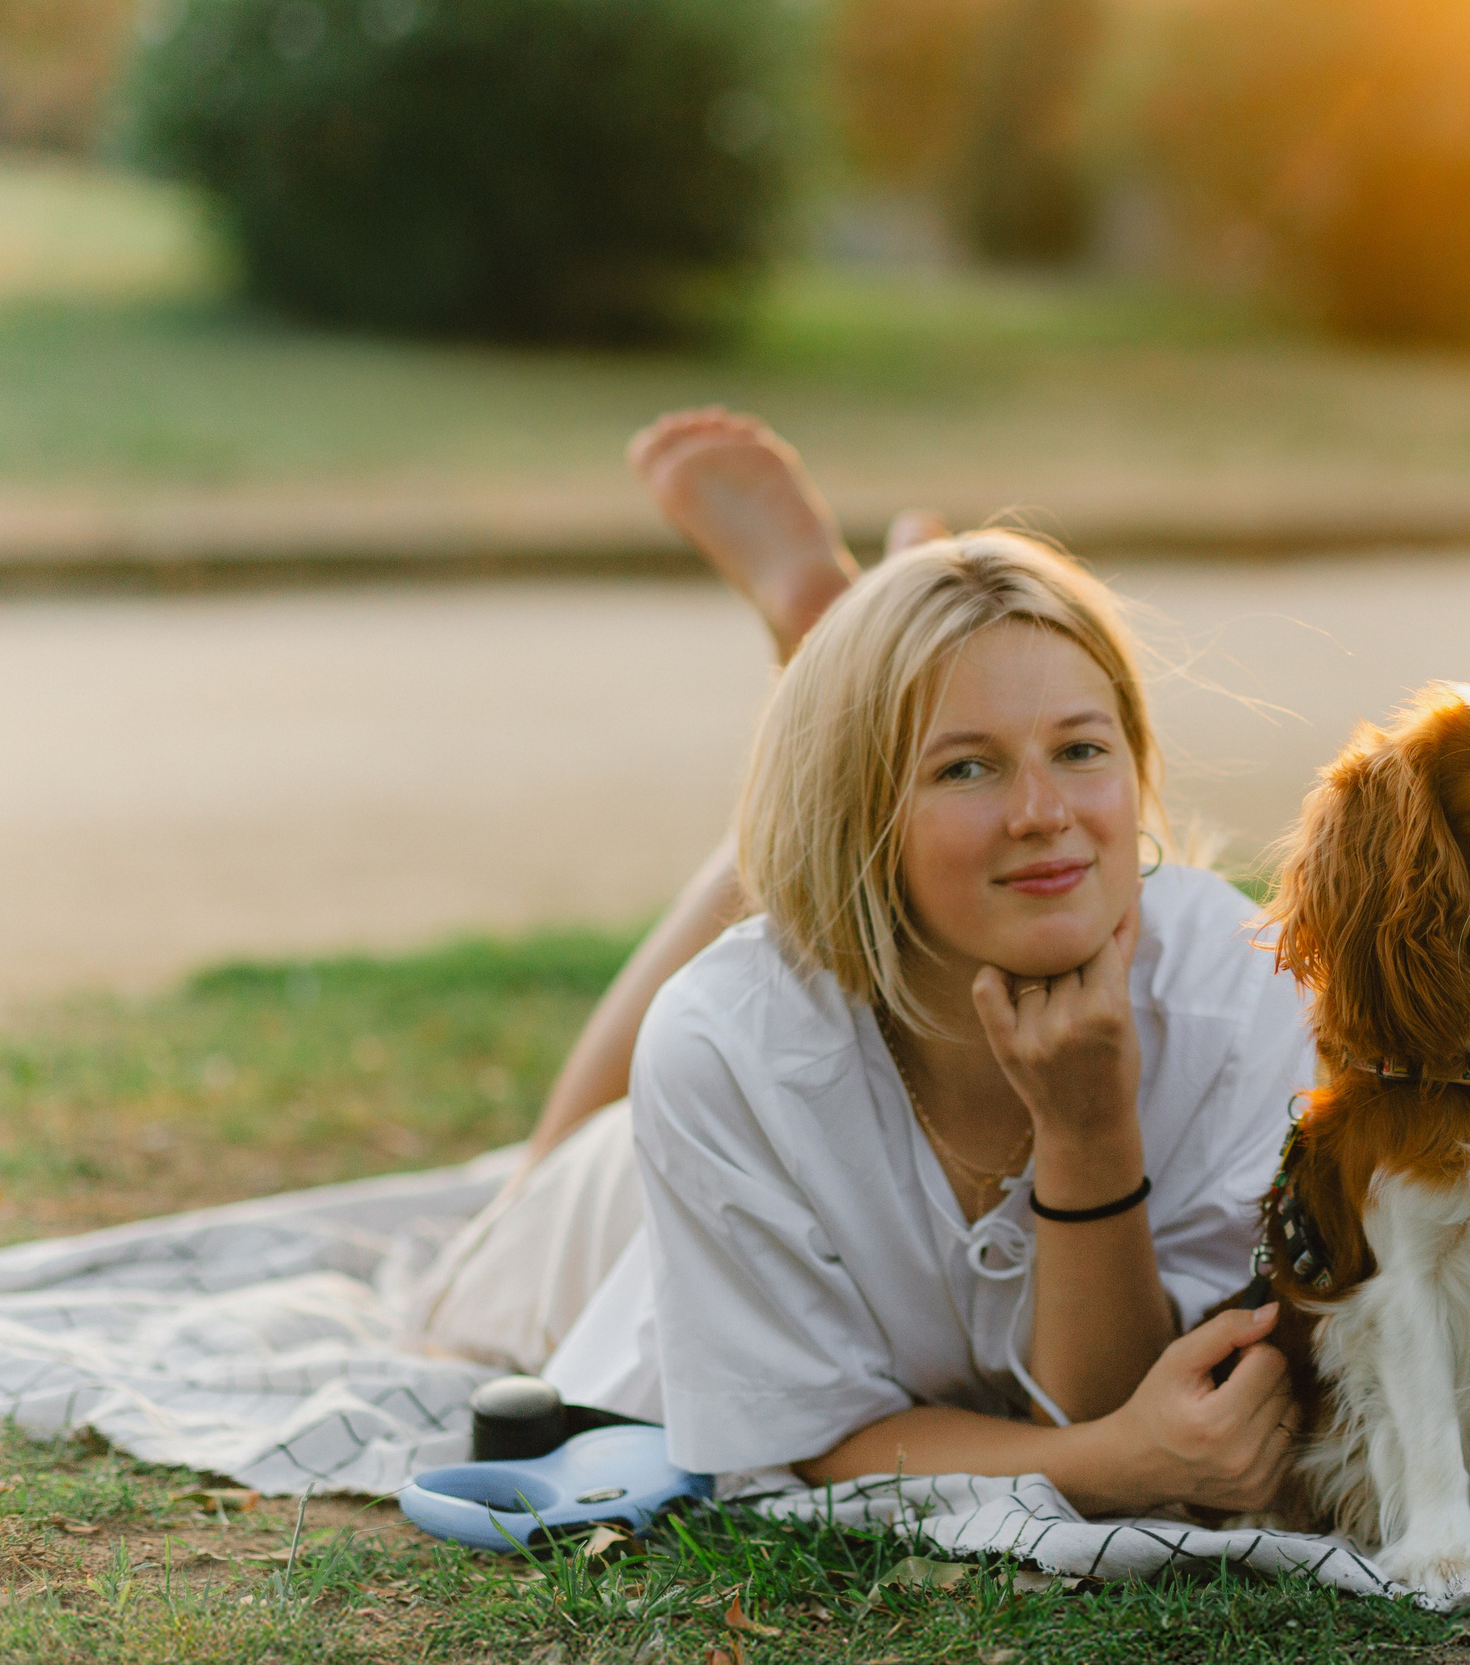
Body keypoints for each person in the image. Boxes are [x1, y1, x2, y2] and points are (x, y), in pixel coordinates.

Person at [398, 409, 1307, 1517]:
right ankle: (822, 666)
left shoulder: (1243, 992)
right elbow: (818, 1440)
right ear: (864, 811)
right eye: (966, 767)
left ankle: (843, 658)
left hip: (806, 1008)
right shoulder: (731, 1045)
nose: (1044, 813)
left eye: (1080, 749)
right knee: (523, 1204)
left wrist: (1087, 1130)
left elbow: (1125, 1406)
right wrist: (1114, 1466)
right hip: (645, 1203)